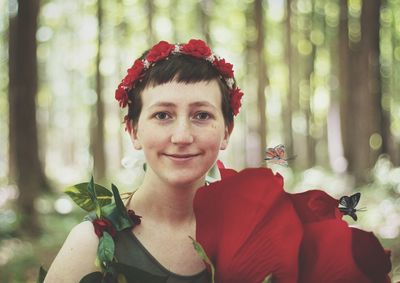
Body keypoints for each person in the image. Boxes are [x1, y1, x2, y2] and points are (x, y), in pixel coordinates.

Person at [43, 39, 391, 283]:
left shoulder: (262, 224)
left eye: (201, 116)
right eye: (163, 115)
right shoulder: (91, 242)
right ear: (133, 130)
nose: (182, 136)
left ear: (226, 131)